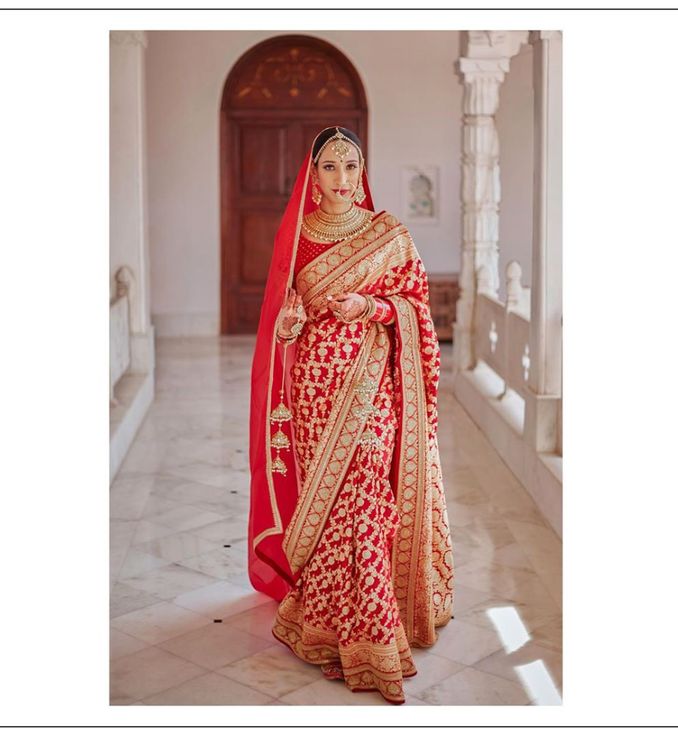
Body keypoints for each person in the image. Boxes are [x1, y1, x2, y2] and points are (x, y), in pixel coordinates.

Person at [247, 126, 454, 705]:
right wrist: (290, 324)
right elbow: (286, 318)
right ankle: (328, 621)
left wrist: (372, 305)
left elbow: (415, 306)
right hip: (314, 389)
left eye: (351, 166)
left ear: (362, 173)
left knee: (366, 495)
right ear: (312, 178)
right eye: (330, 167)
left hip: (373, 387)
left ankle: (376, 632)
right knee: (332, 503)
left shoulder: (386, 234)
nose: (342, 178)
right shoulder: (295, 238)